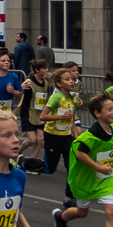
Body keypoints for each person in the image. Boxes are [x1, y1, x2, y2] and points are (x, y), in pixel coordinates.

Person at [52, 94, 113, 227]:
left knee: (112, 211)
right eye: (109, 109)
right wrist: (99, 167)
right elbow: (80, 154)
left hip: (105, 178)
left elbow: (111, 149)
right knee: (81, 212)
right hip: (86, 178)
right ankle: (61, 218)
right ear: (97, 113)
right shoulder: (89, 136)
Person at [40, 68, 82, 206]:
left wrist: (76, 136)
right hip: (52, 135)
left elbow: (72, 120)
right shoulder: (56, 98)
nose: (71, 81)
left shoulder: (73, 100)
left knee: (71, 166)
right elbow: (43, 116)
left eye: (72, 79)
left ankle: (69, 197)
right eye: (67, 79)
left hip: (66, 136)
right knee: (50, 168)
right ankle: (25, 162)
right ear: (59, 83)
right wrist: (61, 116)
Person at [18, 60, 48, 166]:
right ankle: (16, 153)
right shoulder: (29, 82)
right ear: (37, 70)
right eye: (44, 68)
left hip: (38, 113)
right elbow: (18, 92)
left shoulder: (46, 82)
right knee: (32, 139)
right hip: (27, 111)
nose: (47, 70)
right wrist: (20, 89)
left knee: (40, 139)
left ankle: (31, 161)